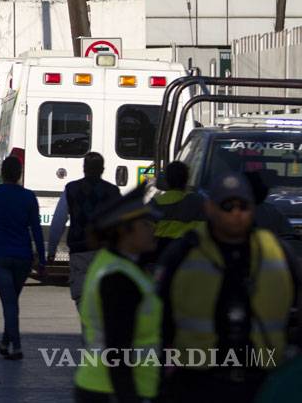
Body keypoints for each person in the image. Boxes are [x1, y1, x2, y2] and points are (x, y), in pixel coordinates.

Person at [156, 173, 302, 401]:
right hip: (197, 383)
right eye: (227, 206)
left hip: (262, 382)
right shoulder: (183, 252)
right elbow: (159, 319)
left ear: (254, 208)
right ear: (209, 208)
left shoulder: (277, 253)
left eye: (243, 206)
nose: (236, 213)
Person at [74, 185, 162, 402]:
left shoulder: (123, 265)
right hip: (111, 391)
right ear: (125, 231)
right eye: (145, 224)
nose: (152, 228)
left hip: (116, 388)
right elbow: (117, 351)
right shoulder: (118, 278)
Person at [0, 156, 46, 361]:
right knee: (12, 300)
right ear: (19, 174)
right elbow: (37, 229)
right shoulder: (29, 197)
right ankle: (5, 342)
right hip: (23, 256)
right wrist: (41, 259)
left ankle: (16, 346)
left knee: (9, 302)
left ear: (2, 174)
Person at [46, 152, 121, 308]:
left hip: (79, 250)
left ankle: (89, 328)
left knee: (82, 297)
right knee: (105, 298)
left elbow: (58, 221)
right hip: (105, 252)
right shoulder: (112, 191)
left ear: (84, 168)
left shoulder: (72, 189)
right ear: (103, 169)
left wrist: (51, 250)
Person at [149, 160, 205, 262]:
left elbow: (147, 233)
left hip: (159, 255)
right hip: (190, 255)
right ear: (187, 179)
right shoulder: (199, 202)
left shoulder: (156, 203)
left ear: (166, 180)